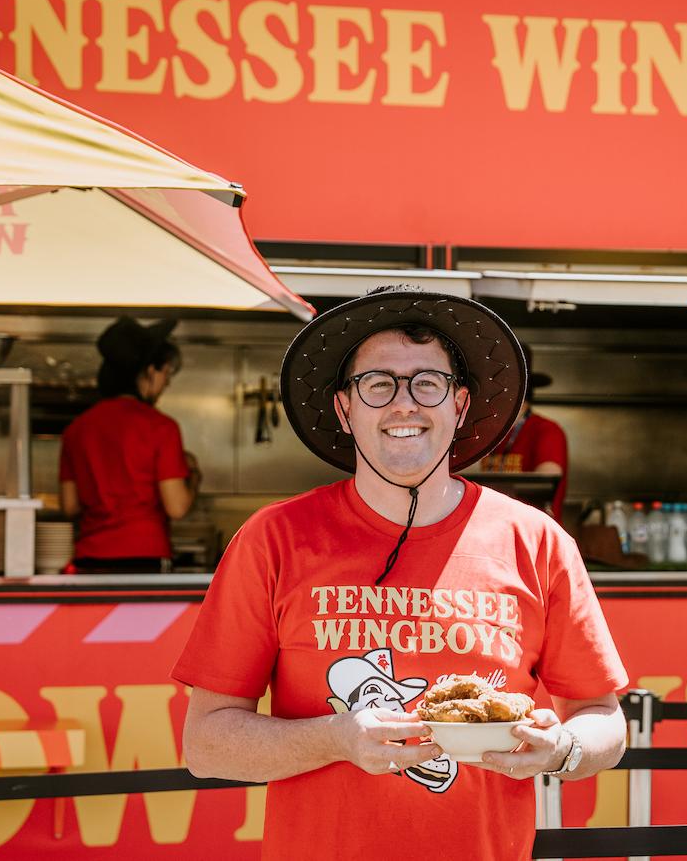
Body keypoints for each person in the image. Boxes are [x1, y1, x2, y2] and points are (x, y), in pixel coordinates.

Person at [173, 286, 628, 861]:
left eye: (427, 383)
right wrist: (335, 740)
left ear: (459, 406)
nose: (404, 404)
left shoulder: (535, 542)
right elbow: (207, 744)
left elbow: (604, 722)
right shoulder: (274, 540)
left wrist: (561, 749)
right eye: (379, 384)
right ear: (346, 409)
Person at [59, 317, 199, 574]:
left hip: (90, 560)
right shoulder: (161, 427)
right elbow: (177, 507)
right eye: (166, 373)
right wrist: (194, 476)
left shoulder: (76, 429)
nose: (166, 383)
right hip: (145, 558)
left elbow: (69, 506)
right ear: (149, 371)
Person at [480, 342, 569, 520]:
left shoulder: (546, 430)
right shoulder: (486, 431)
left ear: (523, 390)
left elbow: (546, 484)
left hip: (530, 535)